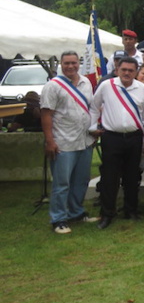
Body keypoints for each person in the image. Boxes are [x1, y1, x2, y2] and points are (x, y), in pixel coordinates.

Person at [89, 57, 144, 229]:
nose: (127, 73)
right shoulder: (106, 86)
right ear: (118, 69)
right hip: (112, 137)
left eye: (130, 70)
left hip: (135, 138)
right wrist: (92, 127)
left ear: (136, 72)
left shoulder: (142, 89)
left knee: (132, 177)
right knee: (109, 177)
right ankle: (107, 213)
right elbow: (94, 106)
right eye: (123, 69)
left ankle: (131, 210)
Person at [40, 51, 97, 234]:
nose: (70, 66)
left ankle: (76, 212)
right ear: (61, 64)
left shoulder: (86, 82)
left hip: (84, 141)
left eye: (73, 63)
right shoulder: (52, 86)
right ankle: (58, 218)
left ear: (78, 63)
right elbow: (46, 114)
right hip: (63, 141)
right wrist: (50, 141)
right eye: (66, 63)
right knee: (62, 183)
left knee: (81, 181)